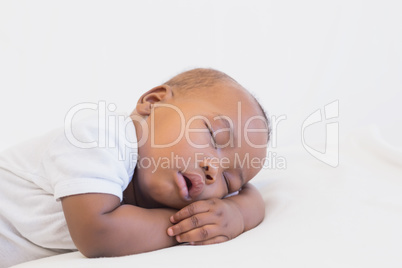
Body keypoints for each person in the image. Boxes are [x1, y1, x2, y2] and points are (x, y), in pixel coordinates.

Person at [0, 68, 269, 267]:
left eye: (228, 180)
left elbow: (252, 195)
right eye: (213, 135)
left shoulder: (180, 185)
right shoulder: (101, 137)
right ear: (153, 102)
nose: (213, 169)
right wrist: (195, 226)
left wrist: (236, 214)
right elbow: (97, 233)